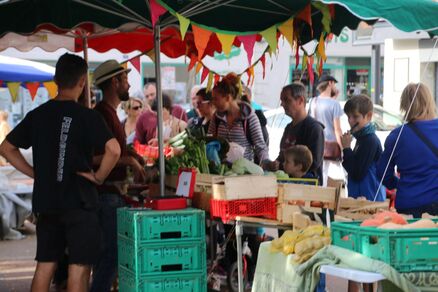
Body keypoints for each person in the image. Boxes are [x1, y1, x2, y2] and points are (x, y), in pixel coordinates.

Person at [0, 53, 121, 292]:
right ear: (82, 82)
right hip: (80, 201)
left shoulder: (37, 114)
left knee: (45, 266)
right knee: (79, 268)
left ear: (56, 79)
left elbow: (6, 148)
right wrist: (99, 177)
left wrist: (34, 173)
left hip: (47, 202)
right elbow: (114, 150)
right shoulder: (88, 116)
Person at [91, 59, 147, 292]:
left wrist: (132, 153)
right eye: (124, 79)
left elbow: (114, 149)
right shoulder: (102, 114)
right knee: (110, 256)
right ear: (114, 82)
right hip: (106, 195)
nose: (128, 83)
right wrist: (129, 160)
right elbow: (94, 157)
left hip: (111, 195)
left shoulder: (110, 113)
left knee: (107, 256)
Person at [377, 83, 438, 217]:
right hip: (436, 199)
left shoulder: (396, 136)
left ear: (404, 105)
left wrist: (401, 184)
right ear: (429, 102)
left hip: (409, 203)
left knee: (410, 238)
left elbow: (382, 173)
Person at [267, 82, 324, 185]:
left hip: (307, 188)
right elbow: (282, 155)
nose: (282, 104)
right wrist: (274, 164)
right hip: (288, 185)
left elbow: (314, 163)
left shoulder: (314, 128)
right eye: (282, 100)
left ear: (300, 100)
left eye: (287, 100)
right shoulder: (288, 127)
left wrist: (281, 166)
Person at [207, 73, 270, 164]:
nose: (213, 103)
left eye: (216, 99)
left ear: (228, 98)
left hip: (243, 172)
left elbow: (260, 146)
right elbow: (210, 140)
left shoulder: (249, 118)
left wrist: (266, 163)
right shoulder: (216, 117)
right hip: (220, 171)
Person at [341, 95, 385, 201]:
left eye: (355, 117)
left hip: (370, 199)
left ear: (368, 116)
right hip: (362, 197)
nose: (351, 121)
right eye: (348, 117)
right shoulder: (362, 138)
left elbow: (357, 173)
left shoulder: (370, 140)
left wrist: (347, 149)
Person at [309, 75, 343, 186]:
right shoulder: (335, 104)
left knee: (320, 175)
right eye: (334, 84)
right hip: (331, 145)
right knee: (344, 174)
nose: (335, 86)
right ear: (330, 83)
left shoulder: (313, 101)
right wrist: (342, 148)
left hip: (317, 144)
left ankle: (320, 199)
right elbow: (337, 129)